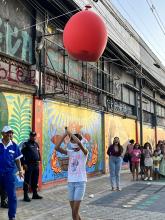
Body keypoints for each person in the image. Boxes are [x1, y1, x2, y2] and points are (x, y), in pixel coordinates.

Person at [55, 128, 88, 220]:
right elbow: (56, 147)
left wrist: (70, 133)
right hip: (70, 183)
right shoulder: (70, 152)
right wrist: (65, 135)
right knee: (74, 212)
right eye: (72, 141)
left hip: (80, 183)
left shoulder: (84, 152)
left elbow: (79, 143)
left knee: (74, 213)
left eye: (73, 140)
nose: (73, 142)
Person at [0, 125, 24, 220]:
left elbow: (17, 160)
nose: (10, 134)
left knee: (12, 196)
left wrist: (20, 170)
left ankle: (12, 217)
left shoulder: (14, 146)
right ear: (3, 134)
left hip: (9, 174)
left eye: (11, 132)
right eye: (8, 132)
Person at [21, 131, 43, 202]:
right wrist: (24, 164)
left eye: (34, 136)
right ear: (30, 136)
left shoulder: (36, 144)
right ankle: (25, 196)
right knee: (27, 180)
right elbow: (21, 155)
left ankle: (35, 194)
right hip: (29, 165)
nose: (33, 137)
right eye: (32, 136)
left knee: (35, 180)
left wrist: (39, 160)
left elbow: (38, 153)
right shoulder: (26, 144)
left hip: (36, 165)